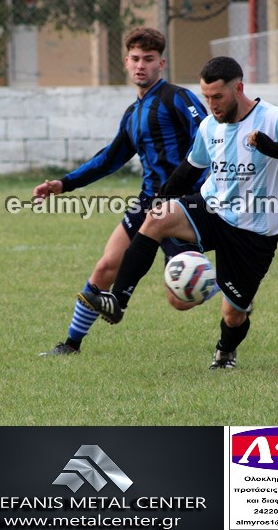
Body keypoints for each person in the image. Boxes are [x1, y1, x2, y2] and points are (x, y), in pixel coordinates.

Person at [78, 55, 278, 369]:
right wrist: (159, 200)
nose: (212, 105)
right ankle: (118, 301)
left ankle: (225, 351)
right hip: (211, 208)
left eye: (218, 97)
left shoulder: (273, 118)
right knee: (157, 218)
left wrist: (271, 147)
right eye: (206, 97)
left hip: (253, 231)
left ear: (239, 88)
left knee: (233, 313)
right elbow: (189, 170)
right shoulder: (209, 126)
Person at [35, 27, 209, 355]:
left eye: (149, 59)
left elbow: (209, 138)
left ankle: (224, 288)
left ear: (161, 63)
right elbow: (110, 158)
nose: (141, 65)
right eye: (135, 58)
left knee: (180, 298)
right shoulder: (133, 113)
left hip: (181, 205)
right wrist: (65, 183)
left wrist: (201, 193)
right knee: (105, 267)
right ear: (126, 62)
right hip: (147, 202)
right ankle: (71, 344)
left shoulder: (177, 98)